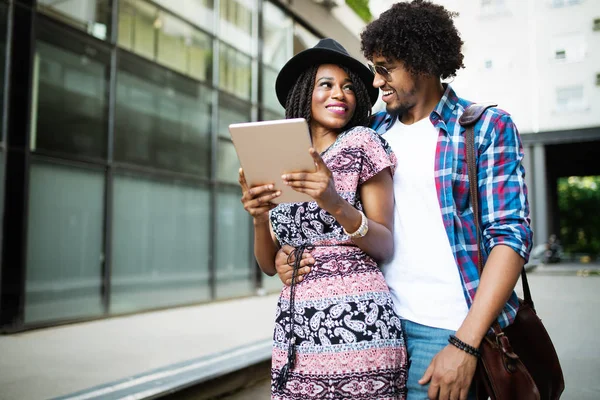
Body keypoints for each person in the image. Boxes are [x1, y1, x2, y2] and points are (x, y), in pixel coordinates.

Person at [274, 2, 533, 400]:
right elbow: (328, 215)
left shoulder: (484, 127)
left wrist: (465, 343)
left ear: (422, 62)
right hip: (373, 324)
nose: (376, 83)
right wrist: (288, 254)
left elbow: (510, 239)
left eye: (385, 68)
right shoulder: (368, 131)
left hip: (445, 330)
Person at [238, 38, 407, 399]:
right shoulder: (281, 156)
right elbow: (269, 265)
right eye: (326, 85)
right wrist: (257, 217)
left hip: (359, 326)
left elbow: (385, 244)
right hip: (296, 332)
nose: (340, 94)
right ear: (305, 92)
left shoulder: (363, 142)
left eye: (348, 87)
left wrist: (332, 200)